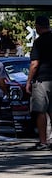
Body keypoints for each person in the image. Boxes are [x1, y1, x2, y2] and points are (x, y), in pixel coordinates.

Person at [27, 15, 52, 149]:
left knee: (41, 111)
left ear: (37, 26)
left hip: (42, 79)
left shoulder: (39, 42)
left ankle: (43, 142)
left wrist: (29, 81)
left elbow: (34, 64)